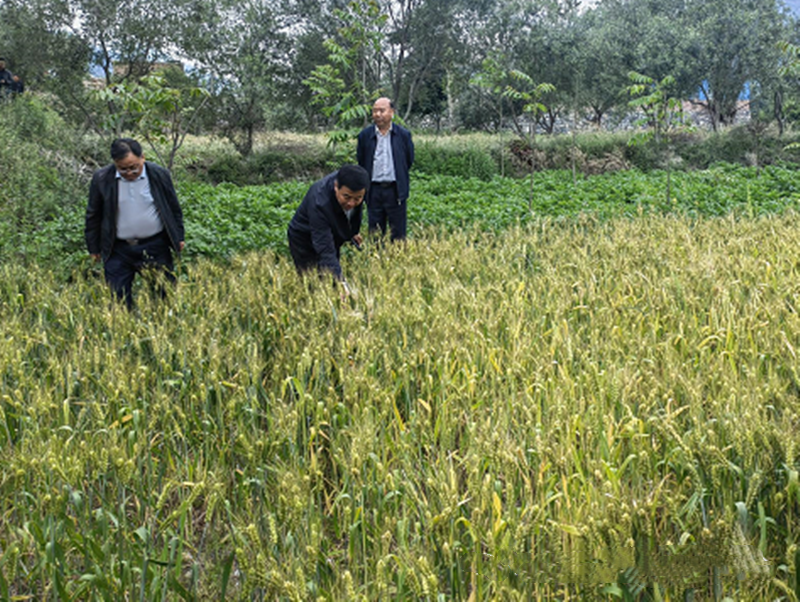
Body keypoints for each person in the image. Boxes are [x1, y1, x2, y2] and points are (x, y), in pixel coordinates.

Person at [85, 138, 185, 309]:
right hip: (118, 249)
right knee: (118, 300)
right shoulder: (102, 179)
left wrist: (178, 236)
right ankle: (125, 331)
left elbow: (173, 207)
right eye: (123, 169)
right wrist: (93, 248)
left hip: (155, 246)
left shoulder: (159, 174)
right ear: (115, 163)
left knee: (164, 296)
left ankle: (162, 330)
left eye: (133, 167)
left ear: (143, 158)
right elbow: (93, 214)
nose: (129, 173)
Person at [287, 164, 368, 292]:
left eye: (358, 198)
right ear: (336, 187)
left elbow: (353, 213)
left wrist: (352, 232)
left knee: (331, 276)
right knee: (313, 283)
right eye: (346, 197)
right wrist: (341, 284)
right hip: (304, 237)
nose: (351, 203)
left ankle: (336, 296)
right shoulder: (319, 202)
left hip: (332, 230)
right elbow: (326, 250)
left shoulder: (357, 186)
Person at [356, 97, 414, 241]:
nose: (377, 114)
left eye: (382, 110)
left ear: (392, 112)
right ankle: (377, 259)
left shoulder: (403, 135)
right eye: (375, 111)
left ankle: (397, 259)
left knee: (398, 233)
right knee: (375, 231)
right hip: (373, 190)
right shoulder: (365, 136)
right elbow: (361, 161)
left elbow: (408, 160)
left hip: (395, 190)